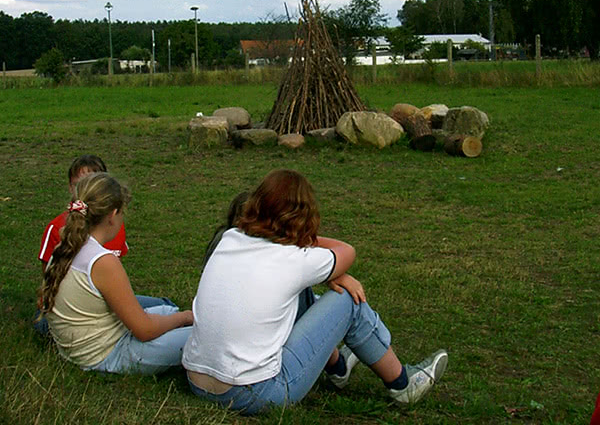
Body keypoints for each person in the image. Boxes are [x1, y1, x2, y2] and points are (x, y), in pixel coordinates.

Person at [183, 169, 447, 414]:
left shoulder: (230, 238)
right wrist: (307, 246)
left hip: (197, 380)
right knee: (347, 301)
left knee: (300, 291)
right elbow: (347, 251)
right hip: (256, 393)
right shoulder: (295, 259)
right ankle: (403, 384)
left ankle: (337, 368)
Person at [38, 172, 193, 374]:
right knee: (207, 337)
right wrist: (184, 317)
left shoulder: (65, 247)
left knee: (167, 311)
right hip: (108, 355)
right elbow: (144, 330)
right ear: (112, 215)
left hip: (83, 347)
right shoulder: (102, 261)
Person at [34, 155, 173, 336]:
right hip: (74, 309)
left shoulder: (114, 228)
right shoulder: (58, 229)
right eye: (80, 184)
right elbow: (49, 278)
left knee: (167, 306)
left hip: (102, 299)